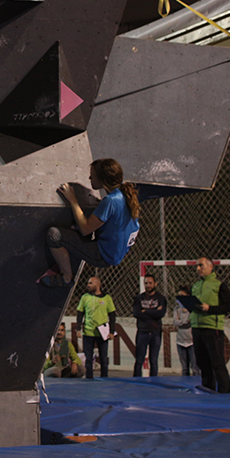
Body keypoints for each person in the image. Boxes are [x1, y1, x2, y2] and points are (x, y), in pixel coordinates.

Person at [43, 158, 140, 287]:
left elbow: (85, 229)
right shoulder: (124, 194)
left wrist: (72, 199)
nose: (89, 178)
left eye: (92, 176)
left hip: (102, 256)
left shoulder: (111, 201)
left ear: (102, 179)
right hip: (114, 253)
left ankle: (66, 278)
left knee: (54, 235)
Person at [190, 257, 230, 393]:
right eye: (197, 266)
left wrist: (210, 309)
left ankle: (224, 391)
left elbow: (228, 306)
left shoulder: (219, 285)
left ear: (210, 267)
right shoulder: (195, 285)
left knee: (217, 361)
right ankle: (208, 388)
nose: (198, 268)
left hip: (212, 328)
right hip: (197, 327)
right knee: (202, 362)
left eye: (201, 265)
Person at [76, 276, 116, 378]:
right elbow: (80, 313)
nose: (88, 285)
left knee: (103, 358)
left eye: (90, 283)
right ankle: (89, 378)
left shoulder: (107, 298)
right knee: (88, 358)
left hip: (102, 333)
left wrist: (112, 331)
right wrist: (78, 329)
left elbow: (112, 315)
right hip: (88, 332)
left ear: (97, 284)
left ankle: (104, 377)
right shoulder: (85, 297)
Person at [132, 274, 166, 376]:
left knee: (154, 361)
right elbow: (137, 314)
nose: (148, 285)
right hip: (142, 332)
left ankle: (154, 381)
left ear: (155, 284)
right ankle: (137, 380)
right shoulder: (138, 298)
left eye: (150, 283)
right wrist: (154, 311)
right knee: (139, 360)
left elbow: (160, 314)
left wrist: (145, 311)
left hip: (156, 332)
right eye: (146, 283)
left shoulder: (161, 298)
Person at [174, 286, 200, 377]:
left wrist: (182, 322)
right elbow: (175, 322)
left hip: (191, 341)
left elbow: (192, 321)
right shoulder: (177, 309)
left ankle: (196, 383)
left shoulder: (192, 309)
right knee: (184, 368)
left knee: (195, 367)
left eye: (182, 295)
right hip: (180, 341)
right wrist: (185, 321)